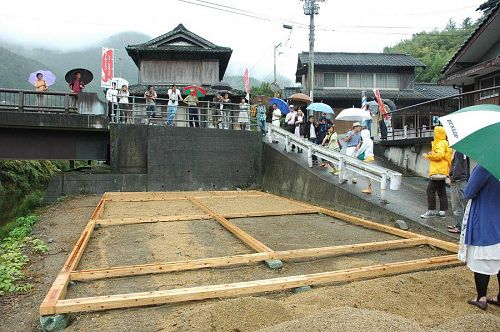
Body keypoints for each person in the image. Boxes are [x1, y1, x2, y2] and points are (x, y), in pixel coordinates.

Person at [460, 165, 500, 310]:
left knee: (483, 261)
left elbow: (469, 192)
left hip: (487, 217)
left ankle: (481, 297)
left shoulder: (486, 165)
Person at [420, 126, 452, 219]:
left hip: (438, 170)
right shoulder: (445, 142)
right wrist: (432, 153)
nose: (434, 134)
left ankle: (431, 211)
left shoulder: (440, 143)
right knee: (442, 191)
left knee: (430, 190)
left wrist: (428, 156)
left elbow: (440, 155)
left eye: (435, 132)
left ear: (437, 134)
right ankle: (442, 212)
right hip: (443, 170)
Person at [447, 151, 470, 233]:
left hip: (457, 181)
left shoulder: (458, 152)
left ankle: (460, 227)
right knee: (460, 203)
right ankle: (459, 225)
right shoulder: (464, 152)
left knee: (457, 205)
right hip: (462, 180)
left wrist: (452, 178)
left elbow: (458, 168)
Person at [355, 129, 375, 193]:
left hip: (367, 158)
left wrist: (356, 154)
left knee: (367, 174)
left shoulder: (366, 141)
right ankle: (369, 187)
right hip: (371, 157)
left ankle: (369, 188)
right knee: (368, 173)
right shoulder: (370, 140)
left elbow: (361, 149)